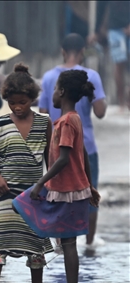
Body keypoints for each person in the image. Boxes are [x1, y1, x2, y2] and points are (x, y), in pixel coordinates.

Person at [14, 70, 101, 283]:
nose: (51, 94)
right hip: (72, 188)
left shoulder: (66, 122)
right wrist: (90, 184)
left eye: (54, 89)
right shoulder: (73, 119)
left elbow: (64, 159)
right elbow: (83, 153)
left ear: (61, 92)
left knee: (68, 242)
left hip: (68, 190)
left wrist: (40, 183)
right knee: (64, 238)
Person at [0, 64, 55, 283]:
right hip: (5, 194)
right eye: (12, 102)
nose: (17, 107)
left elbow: (49, 158)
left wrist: (49, 186)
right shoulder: (1, 124)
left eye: (22, 102)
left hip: (34, 194)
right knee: (0, 243)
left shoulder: (44, 123)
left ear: (32, 99)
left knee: (36, 242)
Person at [40, 34, 107, 248]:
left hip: (56, 148)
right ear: (82, 51)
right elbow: (100, 112)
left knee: (57, 194)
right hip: (85, 144)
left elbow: (43, 115)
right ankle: (89, 243)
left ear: (62, 51)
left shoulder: (49, 77)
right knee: (88, 192)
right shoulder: (91, 76)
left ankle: (62, 242)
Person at [90, 1, 130, 109]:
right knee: (119, 64)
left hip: (118, 25)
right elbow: (101, 6)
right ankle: (121, 102)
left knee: (119, 65)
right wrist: (96, 31)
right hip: (115, 27)